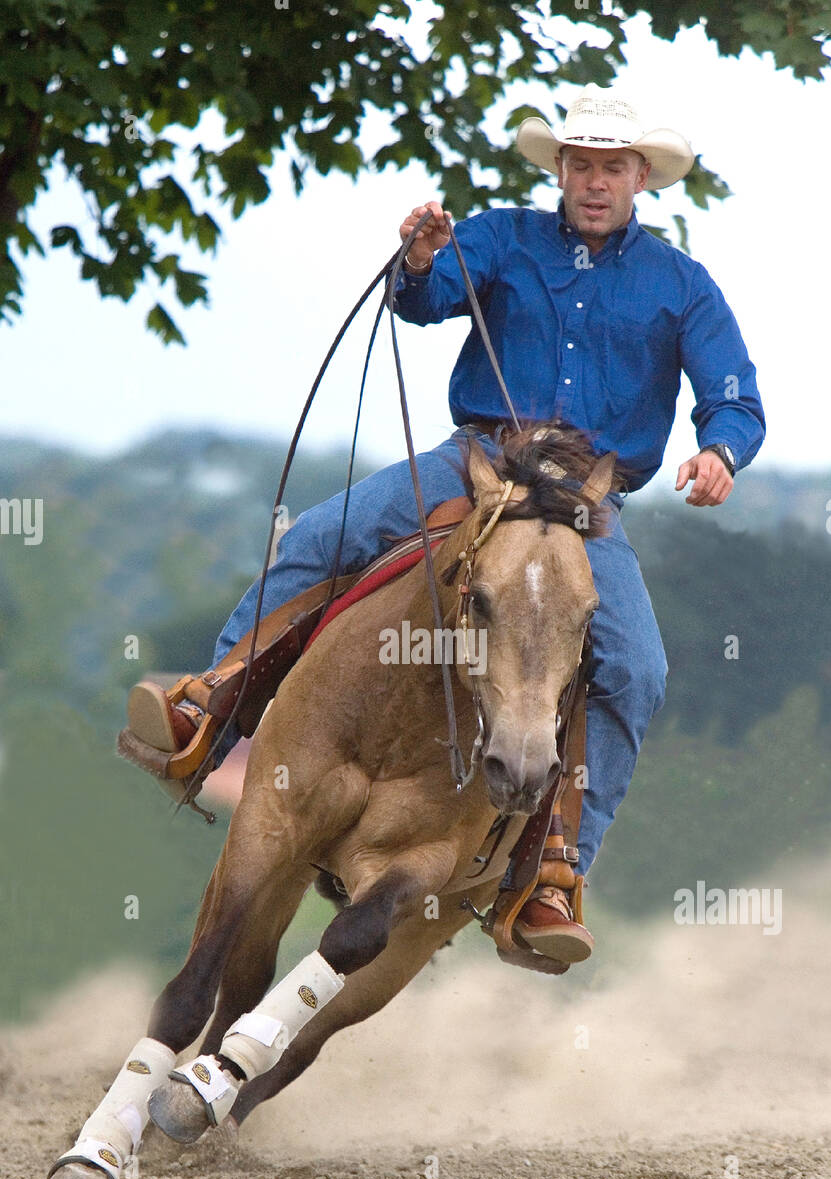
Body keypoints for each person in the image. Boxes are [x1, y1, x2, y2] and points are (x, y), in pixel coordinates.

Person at [121, 84, 764, 947]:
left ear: (641, 174)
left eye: (613, 166)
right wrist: (419, 261)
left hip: (582, 504)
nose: (596, 181)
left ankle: (554, 869)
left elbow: (735, 396)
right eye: (581, 165)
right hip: (480, 464)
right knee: (322, 535)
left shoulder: (682, 284)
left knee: (636, 669)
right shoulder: (502, 235)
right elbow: (422, 302)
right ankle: (211, 709)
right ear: (562, 170)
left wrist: (720, 450)